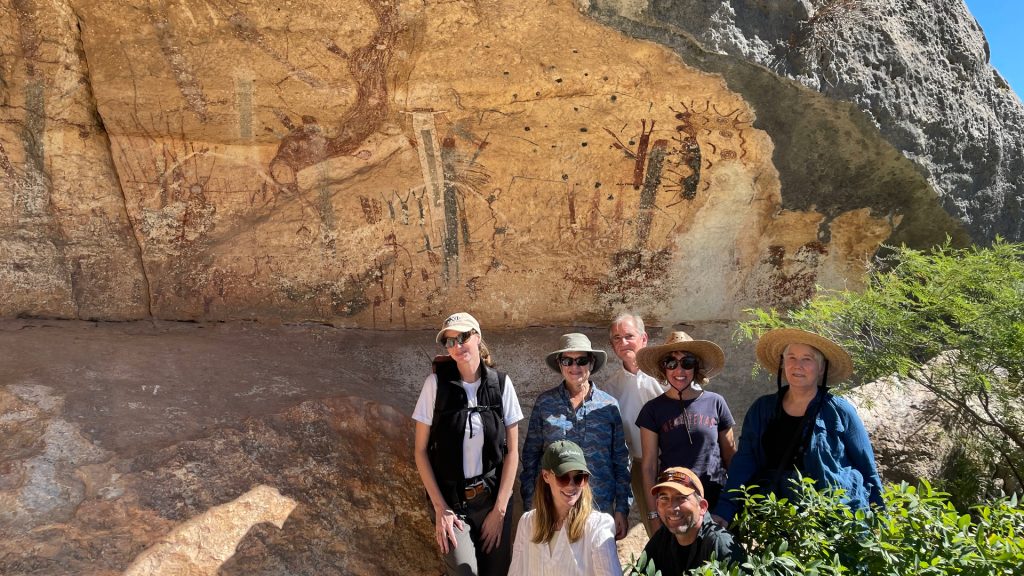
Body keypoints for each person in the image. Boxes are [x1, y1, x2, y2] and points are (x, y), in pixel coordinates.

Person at [714, 328, 884, 524]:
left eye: (807, 359)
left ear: (821, 368)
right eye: (791, 357)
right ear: (783, 363)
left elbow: (866, 466)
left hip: (833, 515)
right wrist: (724, 510)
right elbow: (744, 461)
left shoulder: (839, 411)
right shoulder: (762, 409)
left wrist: (880, 518)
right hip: (774, 515)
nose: (797, 365)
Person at [413, 312, 524, 576]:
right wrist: (441, 509)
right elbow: (419, 451)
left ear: (477, 337)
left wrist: (499, 511)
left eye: (462, 338)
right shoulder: (436, 385)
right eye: (449, 342)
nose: (456, 346)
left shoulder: (501, 384)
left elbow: (512, 452)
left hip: (491, 501)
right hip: (451, 504)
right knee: (464, 571)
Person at [520, 333, 633, 540]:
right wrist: (532, 506)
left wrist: (622, 509)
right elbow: (531, 458)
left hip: (599, 509)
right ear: (559, 363)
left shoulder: (608, 406)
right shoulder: (545, 404)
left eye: (581, 360)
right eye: (568, 361)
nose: (575, 367)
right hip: (554, 510)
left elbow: (621, 461)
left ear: (591, 362)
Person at [635, 331, 736, 533]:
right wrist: (654, 514)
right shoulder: (652, 410)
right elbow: (649, 467)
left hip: (715, 503)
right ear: (663, 368)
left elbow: (731, 457)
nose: (679, 369)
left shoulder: (716, 402)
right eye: (671, 363)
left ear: (695, 367)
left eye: (687, 362)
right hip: (675, 506)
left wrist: (731, 506)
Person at [509, 440, 623, 576]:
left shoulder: (598, 526)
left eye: (579, 477)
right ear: (546, 476)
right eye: (563, 477)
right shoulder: (527, 523)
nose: (571, 485)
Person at [602, 313, 665, 536]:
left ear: (644, 338)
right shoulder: (610, 389)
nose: (623, 342)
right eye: (617, 339)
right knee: (655, 528)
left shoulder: (666, 373)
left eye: (629, 336)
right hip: (640, 467)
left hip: (674, 459)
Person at [639, 467, 746, 574]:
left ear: (702, 507)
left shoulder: (720, 543)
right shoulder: (662, 537)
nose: (672, 507)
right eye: (664, 498)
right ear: (657, 506)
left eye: (681, 498)